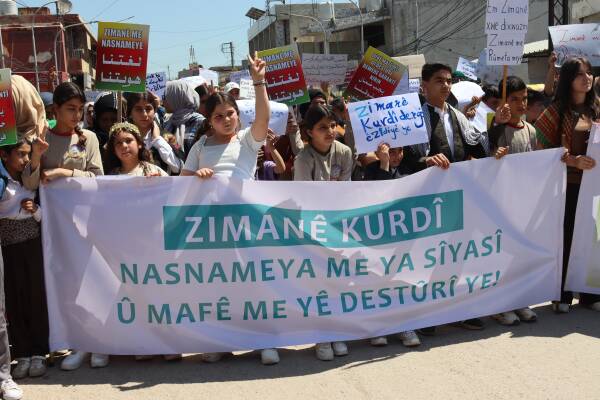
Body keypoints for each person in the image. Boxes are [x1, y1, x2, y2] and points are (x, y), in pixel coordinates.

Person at [182, 53, 274, 364]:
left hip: (247, 223)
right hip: (213, 227)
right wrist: (197, 176)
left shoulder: (247, 141)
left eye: (231, 113)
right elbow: (181, 184)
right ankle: (221, 342)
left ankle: (265, 340)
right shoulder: (200, 147)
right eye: (219, 116)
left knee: (254, 283)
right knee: (220, 286)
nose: (226, 119)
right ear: (209, 121)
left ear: (237, 115)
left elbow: (263, 118)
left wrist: (259, 82)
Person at [21, 82, 107, 370]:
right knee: (63, 283)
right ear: (54, 110)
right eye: (70, 109)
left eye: (80, 110)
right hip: (51, 225)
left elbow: (97, 177)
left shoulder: (88, 138)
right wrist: (36, 156)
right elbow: (30, 183)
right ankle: (75, 340)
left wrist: (62, 172)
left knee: (90, 280)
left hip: (85, 222)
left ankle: (98, 342)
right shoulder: (40, 138)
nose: (76, 115)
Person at [403, 63, 486, 333]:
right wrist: (426, 160)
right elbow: (403, 159)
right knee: (427, 258)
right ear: (424, 86)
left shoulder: (458, 116)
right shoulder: (412, 117)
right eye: (439, 80)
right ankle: (427, 314)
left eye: (449, 81)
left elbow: (478, 148)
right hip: (426, 199)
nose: (446, 85)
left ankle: (460, 309)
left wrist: (497, 129)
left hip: (457, 197)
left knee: (457, 255)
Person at [535, 57, 600, 313]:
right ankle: (561, 294)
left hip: (594, 187)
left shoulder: (596, 108)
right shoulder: (556, 111)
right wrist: (573, 160)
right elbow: (542, 152)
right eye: (579, 74)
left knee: (592, 238)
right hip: (567, 187)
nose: (586, 78)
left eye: (589, 73)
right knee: (567, 237)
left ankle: (590, 293)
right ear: (568, 79)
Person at [293, 104, 352, 360]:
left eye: (332, 125)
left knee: (338, 282)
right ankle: (321, 334)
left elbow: (347, 189)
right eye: (322, 127)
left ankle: (338, 331)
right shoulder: (303, 159)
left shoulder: (344, 152)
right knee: (318, 284)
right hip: (313, 229)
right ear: (309, 132)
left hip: (338, 225)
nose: (329, 131)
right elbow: (304, 199)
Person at [487, 76, 539, 325]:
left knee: (519, 254)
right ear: (503, 101)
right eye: (515, 99)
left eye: (524, 98)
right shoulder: (496, 128)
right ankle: (500, 305)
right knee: (502, 255)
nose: (521, 104)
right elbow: (485, 157)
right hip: (500, 202)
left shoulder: (530, 130)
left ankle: (519, 300)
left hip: (523, 202)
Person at [363, 142, 421, 348]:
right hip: (378, 238)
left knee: (401, 282)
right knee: (378, 283)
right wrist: (384, 164)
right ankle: (379, 328)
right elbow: (379, 195)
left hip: (403, 237)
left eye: (399, 151)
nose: (396, 156)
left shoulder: (409, 170)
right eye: (391, 152)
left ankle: (404, 325)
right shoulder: (370, 170)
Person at [0, 139, 49, 379]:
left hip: (32, 244)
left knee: (35, 297)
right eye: (20, 154)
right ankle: (22, 354)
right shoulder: (2, 182)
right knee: (14, 300)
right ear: (4, 155)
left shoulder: (32, 179)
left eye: (28, 154)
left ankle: (39, 353)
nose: (26, 160)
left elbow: (48, 214)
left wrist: (35, 210)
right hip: (7, 247)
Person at [124, 91, 183, 175]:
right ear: (130, 113)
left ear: (154, 111)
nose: (144, 114)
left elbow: (178, 167)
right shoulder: (122, 139)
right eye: (138, 109)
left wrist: (158, 140)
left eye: (148, 109)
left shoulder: (168, 137)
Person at [164, 80, 205, 159]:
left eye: (166, 97)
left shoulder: (200, 122)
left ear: (177, 98)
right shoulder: (168, 123)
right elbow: (177, 149)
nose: (163, 101)